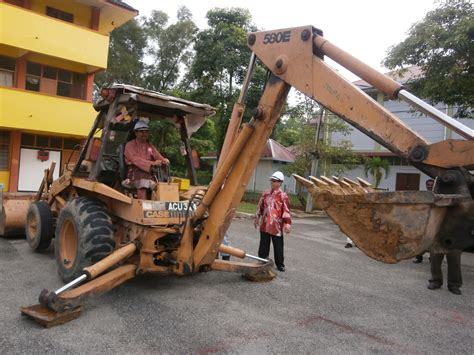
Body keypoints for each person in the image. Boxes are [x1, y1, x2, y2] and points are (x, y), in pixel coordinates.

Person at [426, 178, 463, 295]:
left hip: (454, 234)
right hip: (437, 233)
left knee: (455, 261)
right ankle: (436, 281)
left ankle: (454, 284)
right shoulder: (429, 198)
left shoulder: (458, 198)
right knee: (435, 260)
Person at [254, 171, 292, 272]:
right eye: (272, 180)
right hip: (265, 224)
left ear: (280, 182)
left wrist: (287, 223)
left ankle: (280, 264)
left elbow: (286, 210)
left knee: (278, 246)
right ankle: (262, 260)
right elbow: (260, 206)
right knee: (263, 244)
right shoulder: (265, 194)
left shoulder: (283, 196)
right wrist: (257, 217)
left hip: (277, 226)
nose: (272, 182)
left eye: (274, 181)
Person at [124, 120, 169, 200]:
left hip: (151, 173)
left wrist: (164, 161)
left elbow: (158, 156)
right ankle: (143, 205)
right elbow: (135, 160)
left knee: (165, 183)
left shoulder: (150, 146)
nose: (144, 134)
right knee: (143, 182)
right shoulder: (130, 145)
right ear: (135, 133)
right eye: (141, 131)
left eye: (146, 132)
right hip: (135, 173)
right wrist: (152, 163)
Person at [413, 179, 435, 263]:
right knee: (421, 239)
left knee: (432, 240)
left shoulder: (437, 195)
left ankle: (432, 258)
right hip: (424, 221)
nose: (429, 186)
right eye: (428, 184)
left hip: (433, 220)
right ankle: (419, 257)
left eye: (431, 184)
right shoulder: (424, 195)